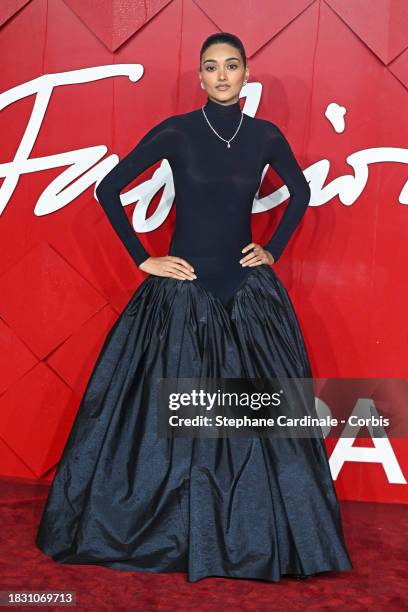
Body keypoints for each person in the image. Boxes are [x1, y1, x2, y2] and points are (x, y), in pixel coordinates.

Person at [35, 32, 353, 583]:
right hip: (181, 298)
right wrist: (144, 259)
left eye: (232, 66)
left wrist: (272, 249)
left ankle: (253, 535)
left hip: (248, 300)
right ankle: (173, 530)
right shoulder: (178, 131)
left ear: (246, 73)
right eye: (212, 67)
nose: (223, 75)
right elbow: (108, 189)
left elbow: (299, 195)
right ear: (200, 78)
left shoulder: (265, 136)